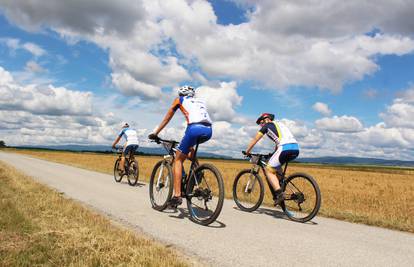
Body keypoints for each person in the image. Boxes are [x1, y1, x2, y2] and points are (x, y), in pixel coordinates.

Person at [148, 85, 212, 206]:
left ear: (181, 94)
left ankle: (177, 196)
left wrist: (155, 133)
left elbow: (167, 118)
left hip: (194, 128)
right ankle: (197, 172)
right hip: (208, 130)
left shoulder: (179, 100)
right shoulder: (200, 101)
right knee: (189, 149)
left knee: (178, 159)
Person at [245, 113, 300, 205]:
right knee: (277, 170)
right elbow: (278, 141)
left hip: (284, 148)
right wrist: (274, 153)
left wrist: (247, 151)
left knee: (269, 170)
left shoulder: (267, 126)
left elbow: (255, 139)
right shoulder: (280, 125)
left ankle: (279, 194)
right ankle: (282, 186)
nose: (261, 125)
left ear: (265, 120)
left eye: (260, 123)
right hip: (295, 148)